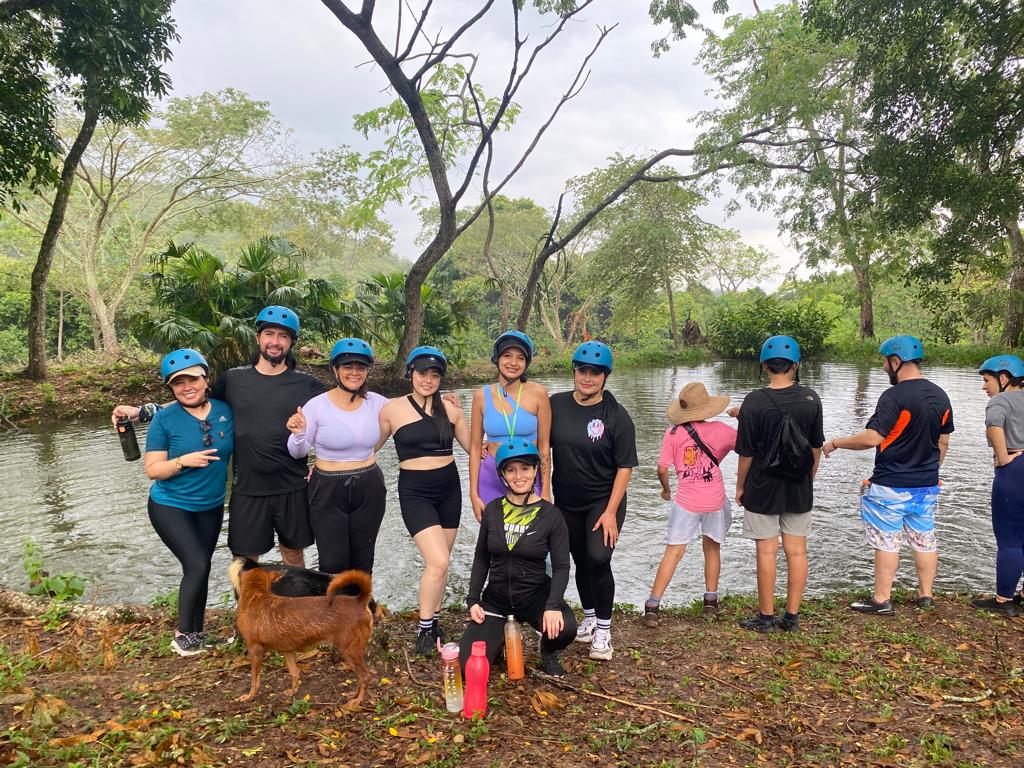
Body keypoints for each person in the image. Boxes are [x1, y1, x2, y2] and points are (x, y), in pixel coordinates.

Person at [114, 306, 327, 567]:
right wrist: (142, 411)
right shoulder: (234, 380)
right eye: (269, 333)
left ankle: (296, 608)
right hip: (247, 488)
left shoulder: (309, 386)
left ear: (292, 342)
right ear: (258, 337)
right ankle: (245, 608)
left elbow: (334, 422)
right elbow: (193, 399)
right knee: (245, 560)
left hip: (292, 486)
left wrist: (325, 463)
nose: (275, 341)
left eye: (283, 336)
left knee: (293, 554)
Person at [823, 335, 953, 615]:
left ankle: (882, 601)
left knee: (887, 541)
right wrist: (929, 470)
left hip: (890, 485)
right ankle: (926, 596)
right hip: (927, 485)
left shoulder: (894, 396)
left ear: (897, 361)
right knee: (925, 538)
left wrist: (835, 442)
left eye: (884, 361)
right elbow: (943, 442)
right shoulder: (940, 395)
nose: (883, 367)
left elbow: (872, 438)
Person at [377, 346, 471, 654]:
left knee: (442, 563)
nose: (427, 380)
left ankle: (436, 621)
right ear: (410, 374)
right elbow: (366, 447)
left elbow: (475, 448)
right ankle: (424, 630)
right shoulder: (392, 409)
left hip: (449, 489)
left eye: (434, 375)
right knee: (438, 560)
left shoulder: (451, 408)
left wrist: (521, 456)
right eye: (421, 373)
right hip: (415, 491)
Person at [549, 341, 637, 660]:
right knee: (580, 559)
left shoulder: (617, 417)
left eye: (595, 373)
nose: (588, 378)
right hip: (567, 500)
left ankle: (604, 630)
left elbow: (625, 467)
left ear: (605, 377)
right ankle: (588, 618)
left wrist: (612, 511)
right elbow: (533, 439)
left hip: (604, 499)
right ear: (574, 372)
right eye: (583, 371)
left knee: (598, 557)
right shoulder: (555, 405)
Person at [143, 349, 234, 656]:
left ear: (205, 379)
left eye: (192, 379)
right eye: (178, 382)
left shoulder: (225, 410)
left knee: (202, 567)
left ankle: (197, 633)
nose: (186, 387)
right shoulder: (164, 420)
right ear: (171, 387)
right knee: (196, 563)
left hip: (210, 505)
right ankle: (183, 635)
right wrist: (183, 461)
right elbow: (153, 470)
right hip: (171, 505)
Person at [460, 439, 576, 677]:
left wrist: (553, 606)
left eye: (525, 468)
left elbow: (563, 566)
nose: (518, 476)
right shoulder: (492, 510)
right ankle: (501, 637)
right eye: (511, 470)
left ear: (535, 471)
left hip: (534, 595)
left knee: (566, 627)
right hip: (497, 599)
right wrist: (473, 599)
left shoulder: (551, 515)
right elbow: (481, 558)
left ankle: (549, 651)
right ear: (502, 474)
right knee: (466, 667)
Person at [735, 335, 823, 633]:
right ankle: (792, 617)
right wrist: (809, 478)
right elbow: (815, 447)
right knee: (797, 551)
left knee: (766, 551)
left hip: (762, 485)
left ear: (764, 366)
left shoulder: (754, 401)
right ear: (796, 365)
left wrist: (739, 486)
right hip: (799, 485)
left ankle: (766, 617)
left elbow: (746, 453)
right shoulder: (811, 398)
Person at [286, 338, 388, 575]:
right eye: (347, 367)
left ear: (367, 371)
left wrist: (443, 401)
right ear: (335, 369)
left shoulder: (378, 403)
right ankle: (333, 611)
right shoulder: (316, 406)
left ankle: (362, 610)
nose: (354, 372)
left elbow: (409, 411)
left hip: (369, 484)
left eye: (361, 367)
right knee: (333, 561)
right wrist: (299, 434)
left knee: (364, 558)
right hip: (327, 486)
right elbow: (297, 452)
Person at [644, 382, 737, 628]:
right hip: (714, 500)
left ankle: (653, 606)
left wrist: (666, 490)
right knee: (712, 549)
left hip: (686, 501)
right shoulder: (721, 430)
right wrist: (743, 416)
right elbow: (748, 446)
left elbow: (662, 469)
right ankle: (710, 602)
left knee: (673, 552)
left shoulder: (673, 434)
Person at [469, 330, 551, 520]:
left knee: (534, 541)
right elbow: (474, 448)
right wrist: (473, 494)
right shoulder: (482, 396)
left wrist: (546, 491)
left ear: (526, 363)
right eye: (507, 356)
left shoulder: (538, 394)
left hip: (529, 476)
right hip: (491, 477)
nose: (513, 363)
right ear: (497, 358)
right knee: (496, 542)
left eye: (520, 358)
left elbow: (544, 447)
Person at [970, 355, 1024, 616]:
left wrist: (1003, 458)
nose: (984, 387)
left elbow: (994, 426)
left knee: (1010, 539)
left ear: (1003, 378)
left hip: (1015, 470)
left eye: (987, 380)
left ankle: (1004, 600)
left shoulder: (1000, 400)